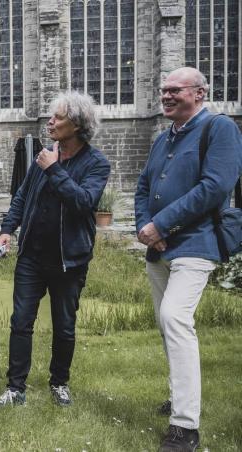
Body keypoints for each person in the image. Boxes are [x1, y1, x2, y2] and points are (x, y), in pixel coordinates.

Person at [134, 67, 242, 452]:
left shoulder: (220, 129)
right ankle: (179, 399)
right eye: (163, 89)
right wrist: (145, 225)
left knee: (174, 318)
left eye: (174, 90)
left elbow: (216, 186)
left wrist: (162, 224)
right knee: (168, 329)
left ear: (199, 93)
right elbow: (145, 184)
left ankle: (185, 428)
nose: (165, 95)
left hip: (196, 243)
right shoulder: (164, 138)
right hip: (158, 247)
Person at [0, 91, 110, 407]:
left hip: (69, 260)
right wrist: (7, 230)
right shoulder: (45, 155)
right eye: (52, 116)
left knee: (64, 326)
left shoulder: (96, 163)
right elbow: (21, 197)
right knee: (20, 321)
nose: (51, 121)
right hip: (31, 256)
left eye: (57, 117)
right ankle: (15, 388)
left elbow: (83, 203)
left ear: (77, 123)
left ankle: (59, 383)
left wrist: (53, 169)